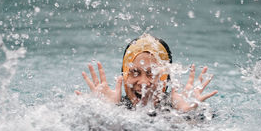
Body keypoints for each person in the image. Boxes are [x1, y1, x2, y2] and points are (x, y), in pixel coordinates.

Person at [75, 34, 217, 112]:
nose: (143, 83)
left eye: (152, 73)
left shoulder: (175, 110)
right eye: (135, 72)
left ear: (165, 79)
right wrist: (103, 111)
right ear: (124, 76)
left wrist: (188, 115)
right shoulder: (116, 108)